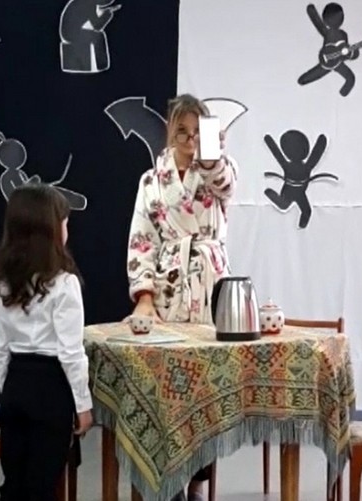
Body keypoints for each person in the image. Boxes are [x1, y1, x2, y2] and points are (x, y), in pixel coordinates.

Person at [126, 94, 238, 500]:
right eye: (182, 132)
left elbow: (226, 183)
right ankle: (167, 481)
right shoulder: (151, 181)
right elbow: (142, 240)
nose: (190, 141)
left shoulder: (219, 171)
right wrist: (144, 296)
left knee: (205, 392)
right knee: (168, 393)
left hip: (209, 290)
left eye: (197, 132)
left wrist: (211, 157)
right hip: (168, 291)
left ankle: (198, 483)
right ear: (169, 133)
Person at [0, 184, 93, 501]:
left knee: (13, 483)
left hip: (15, 385)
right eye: (65, 222)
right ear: (52, 231)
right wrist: (83, 405)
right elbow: (71, 353)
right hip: (51, 391)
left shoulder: (2, 284)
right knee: (42, 486)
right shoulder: (65, 284)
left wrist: (8, 389)